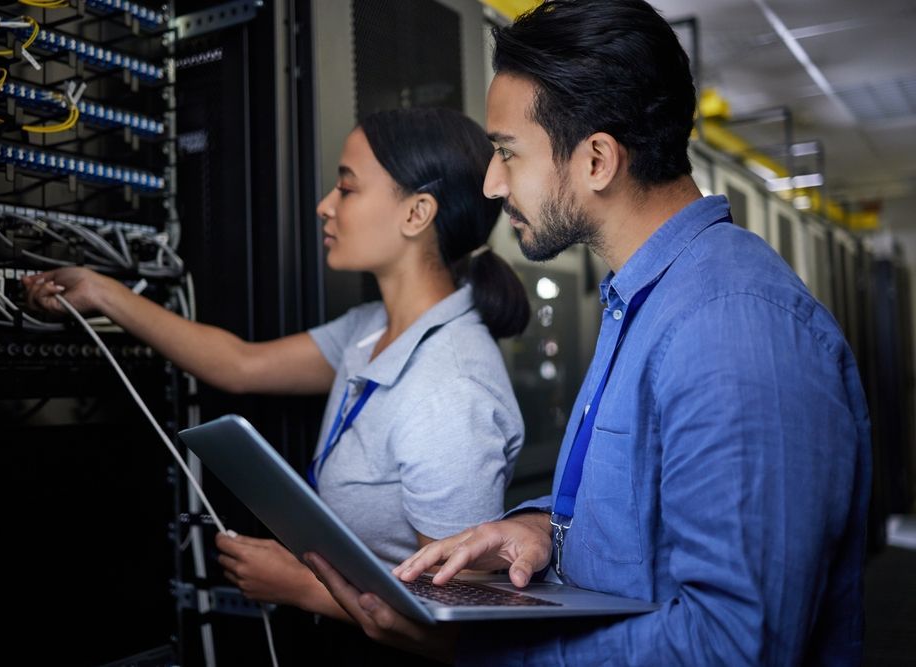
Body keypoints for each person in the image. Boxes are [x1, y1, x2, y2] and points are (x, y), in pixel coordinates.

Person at [305, 1, 872, 664]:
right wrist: (539, 525)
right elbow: (641, 507)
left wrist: (483, 652)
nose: (491, 183)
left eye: (507, 152)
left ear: (597, 159)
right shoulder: (649, 301)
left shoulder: (733, 327)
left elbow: (732, 645)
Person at [23, 107, 530, 624]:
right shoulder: (373, 327)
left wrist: (305, 586)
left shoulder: (448, 391)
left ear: (416, 213)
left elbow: (460, 623)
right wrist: (102, 293)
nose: (324, 206)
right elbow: (240, 365)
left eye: (347, 188)